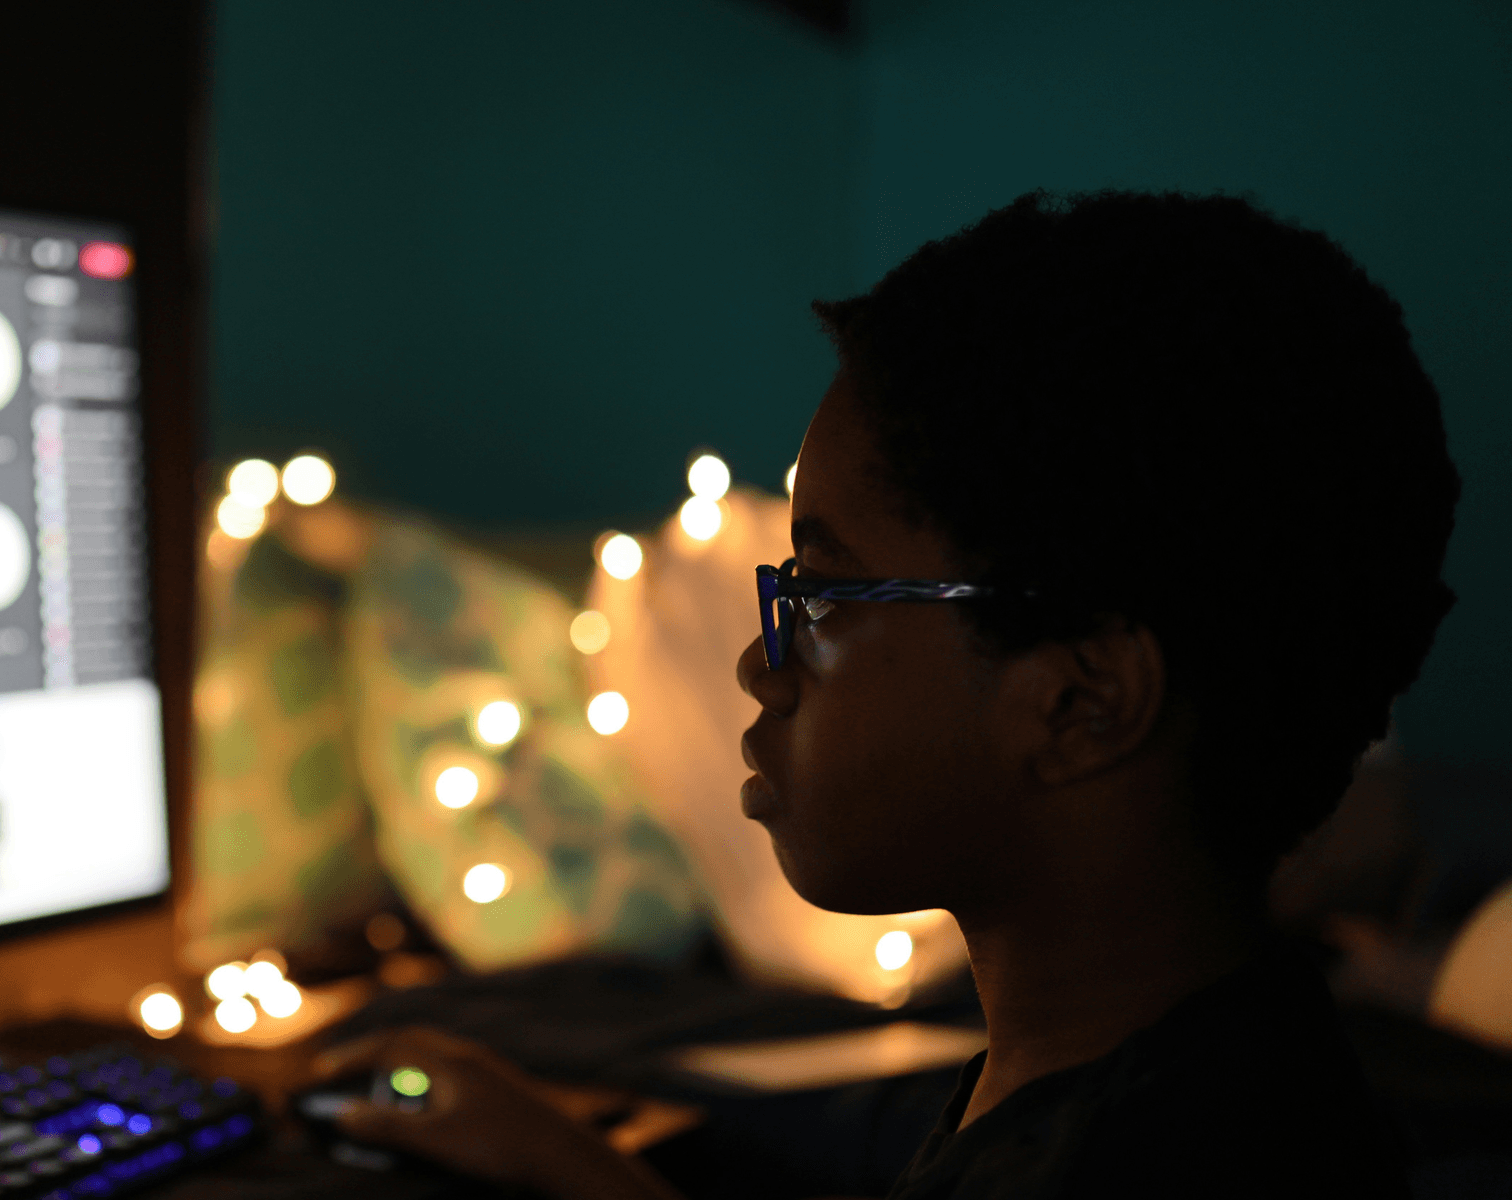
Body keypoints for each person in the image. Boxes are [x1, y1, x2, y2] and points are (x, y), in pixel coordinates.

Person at [319, 190, 1457, 1197]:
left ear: (1080, 703)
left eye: (822, 597)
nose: (760, 666)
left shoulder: (1151, 1160)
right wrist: (569, 1164)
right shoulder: (1191, 1063)